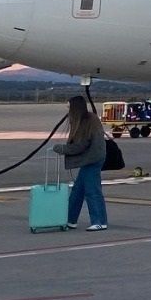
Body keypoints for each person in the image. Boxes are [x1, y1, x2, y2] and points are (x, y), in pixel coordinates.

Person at [52, 95, 108, 231]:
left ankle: (99, 220)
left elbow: (80, 145)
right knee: (78, 190)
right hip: (90, 158)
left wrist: (61, 149)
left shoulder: (87, 122)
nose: (68, 109)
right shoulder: (87, 119)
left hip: (92, 159)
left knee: (92, 191)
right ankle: (70, 219)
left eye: (69, 106)